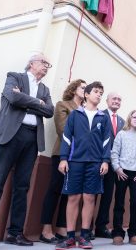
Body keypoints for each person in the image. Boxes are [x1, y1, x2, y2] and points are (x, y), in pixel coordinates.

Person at [0, 53, 54, 249]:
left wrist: (26, 100)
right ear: (31, 64)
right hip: (10, 135)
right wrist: (38, 103)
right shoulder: (15, 77)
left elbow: (50, 111)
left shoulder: (44, 89)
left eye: (48, 65)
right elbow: (12, 97)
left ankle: (15, 233)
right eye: (44, 63)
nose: (46, 67)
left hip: (32, 139)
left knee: (22, 186)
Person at [56, 81, 111, 250]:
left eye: (101, 92)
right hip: (75, 162)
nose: (99, 95)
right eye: (96, 91)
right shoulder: (74, 115)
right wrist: (63, 158)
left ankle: (85, 236)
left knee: (89, 198)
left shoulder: (104, 117)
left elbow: (107, 141)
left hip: (95, 163)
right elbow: (66, 137)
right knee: (73, 198)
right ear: (86, 94)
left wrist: (105, 161)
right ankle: (70, 237)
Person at [40, 79, 86, 244]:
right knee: (55, 189)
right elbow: (63, 129)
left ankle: (61, 227)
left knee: (70, 193)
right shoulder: (63, 105)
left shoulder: (88, 110)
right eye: (83, 87)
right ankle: (45, 229)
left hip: (80, 158)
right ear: (74, 89)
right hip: (62, 154)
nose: (85, 90)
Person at [111, 110, 136, 245]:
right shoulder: (121, 134)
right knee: (119, 202)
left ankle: (134, 233)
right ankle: (117, 233)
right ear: (130, 118)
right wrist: (117, 168)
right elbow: (114, 152)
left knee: (135, 203)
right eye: (134, 117)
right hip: (122, 172)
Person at [94, 92, 125, 238]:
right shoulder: (99, 115)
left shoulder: (122, 122)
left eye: (119, 99)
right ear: (107, 101)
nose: (117, 101)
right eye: (114, 98)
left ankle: (101, 226)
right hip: (97, 161)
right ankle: (86, 228)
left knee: (107, 196)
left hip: (113, 165)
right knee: (92, 194)